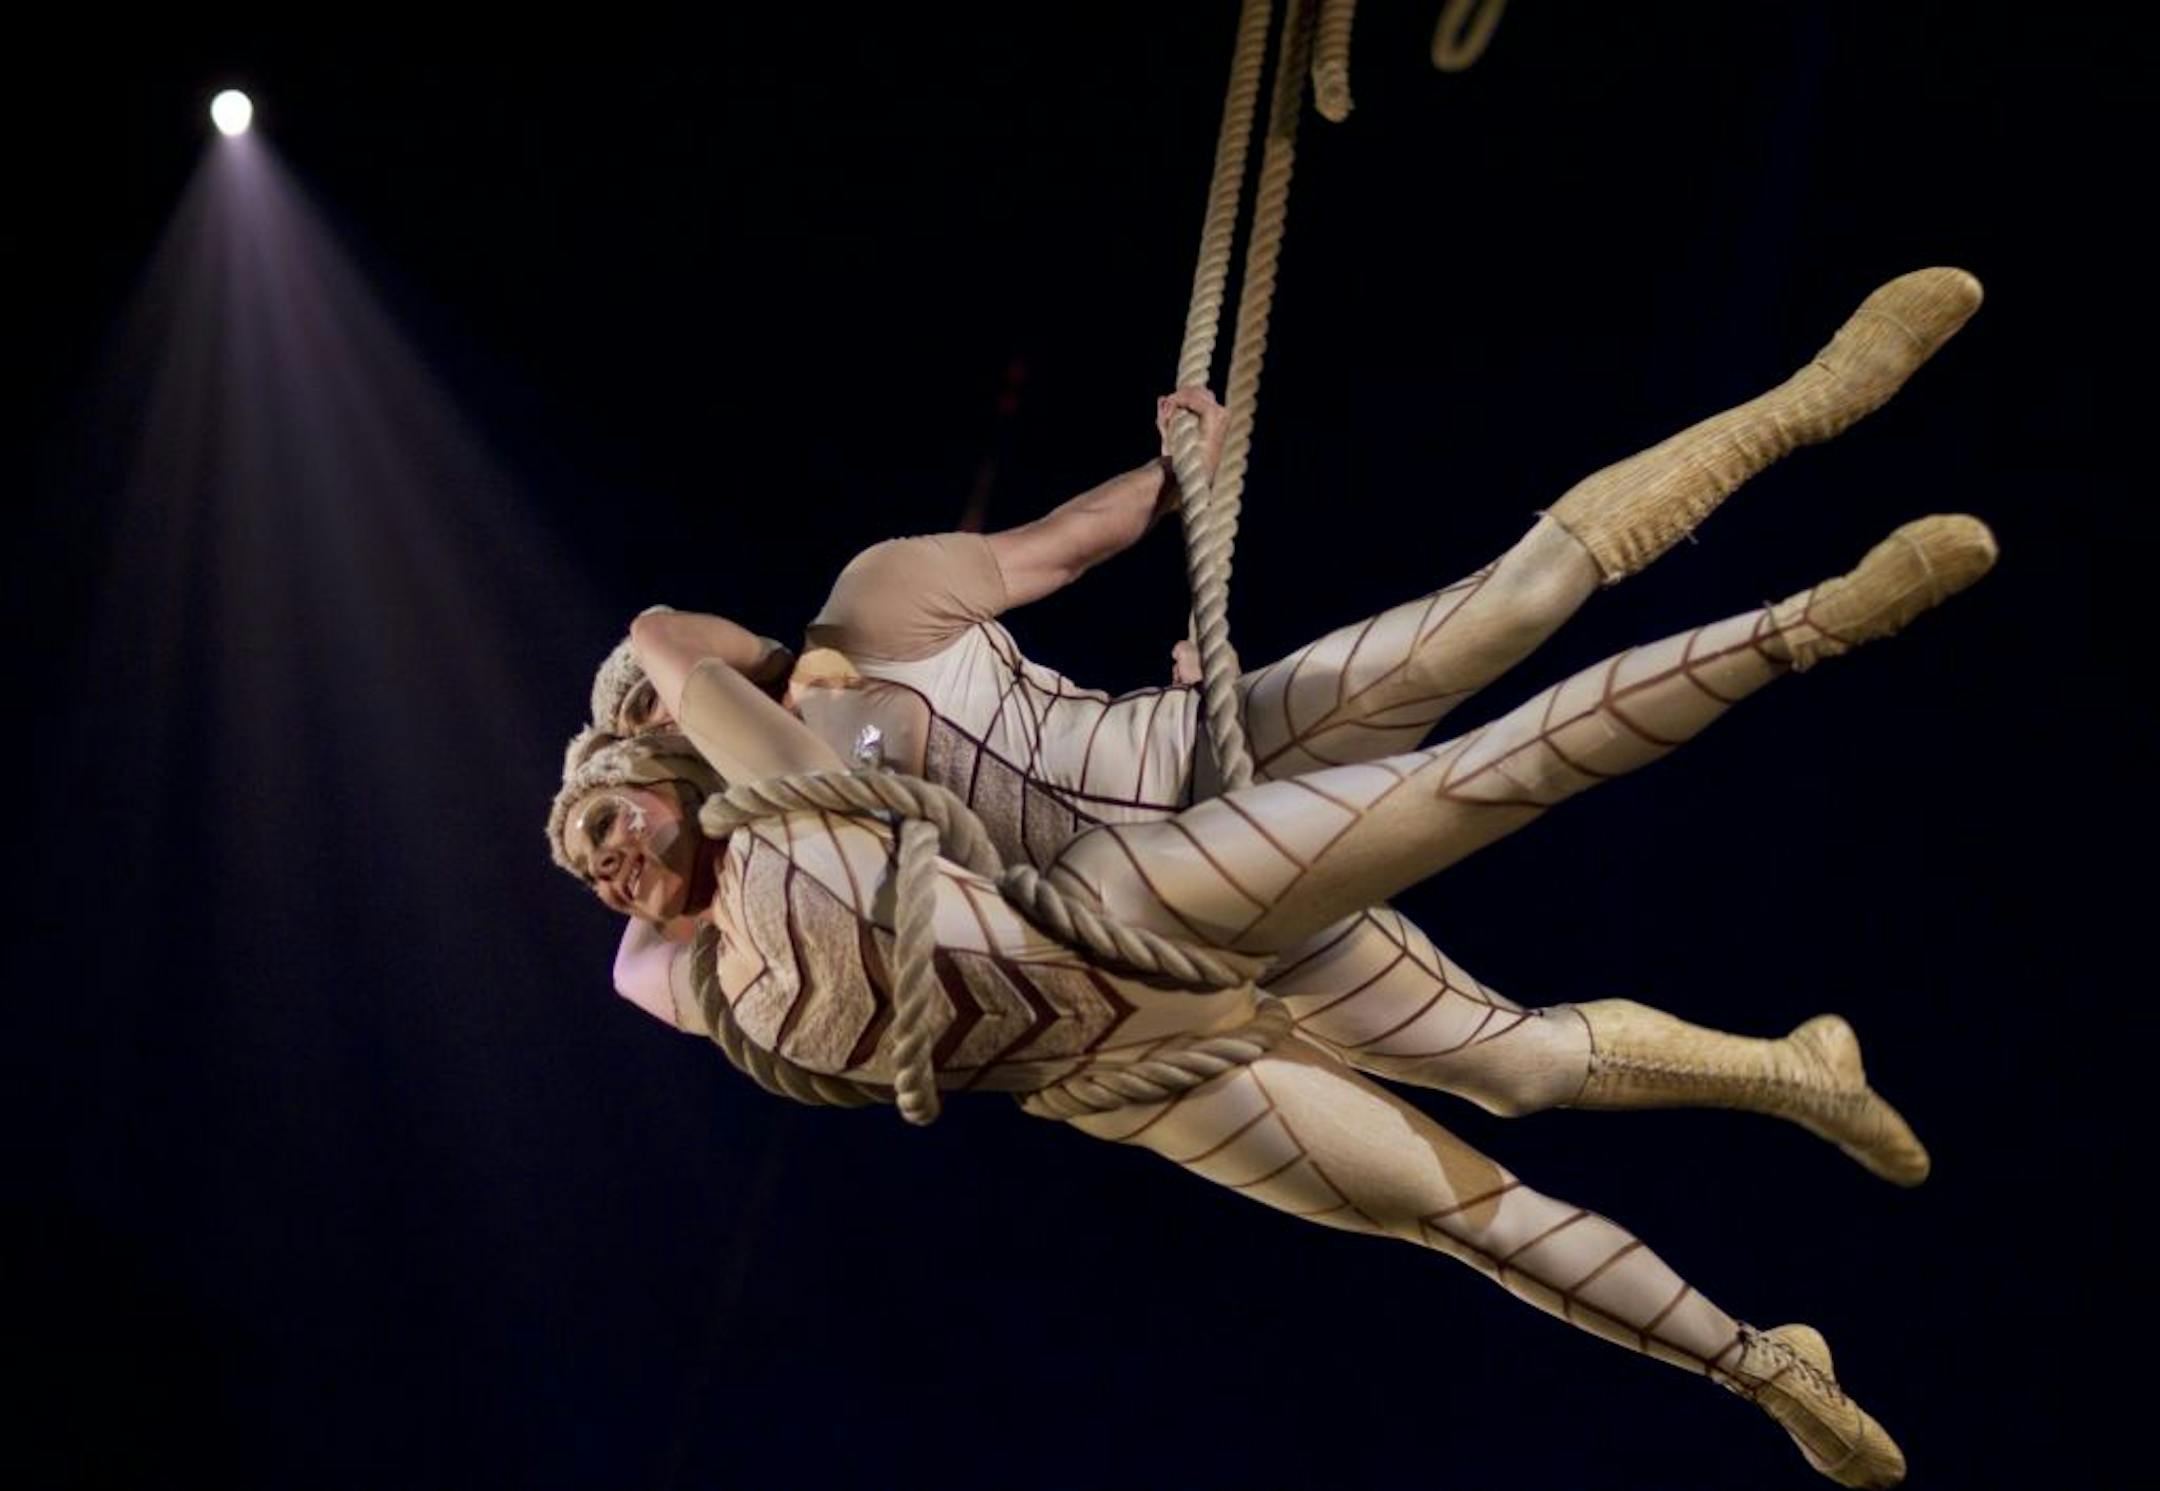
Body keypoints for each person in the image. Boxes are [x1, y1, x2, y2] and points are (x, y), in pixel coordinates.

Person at [549, 503, 1995, 1487]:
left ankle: (1807, 628)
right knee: (1470, 1208)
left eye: (605, 823)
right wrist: (650, 746)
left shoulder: (782, 771)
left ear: (669, 772)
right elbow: (631, 956)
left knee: (1509, 1002)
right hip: (1124, 1073)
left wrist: (672, 685)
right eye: (581, 860)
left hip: (1127, 898)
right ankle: (1765, 1368)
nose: (601, 867)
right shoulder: (707, 975)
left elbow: (679, 632)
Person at [597, 268, 1981, 1178]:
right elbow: (642, 968)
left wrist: (1172, 463)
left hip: (1194, 758)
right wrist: (629, 750)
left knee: (1502, 609)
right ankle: (1791, 1071)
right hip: (1203, 920)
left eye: (663, 715)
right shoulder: (796, 870)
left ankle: (1804, 411)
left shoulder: (872, 609)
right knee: (1517, 1067)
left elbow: (1071, 540)